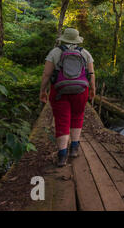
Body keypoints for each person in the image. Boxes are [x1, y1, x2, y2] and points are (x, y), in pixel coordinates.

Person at [40, 28, 96, 167]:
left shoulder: (55, 52)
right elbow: (91, 74)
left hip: (59, 91)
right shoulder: (85, 53)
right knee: (77, 116)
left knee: (61, 120)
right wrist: (93, 89)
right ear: (77, 39)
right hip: (81, 90)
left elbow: (47, 74)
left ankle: (62, 156)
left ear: (63, 38)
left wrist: (43, 90)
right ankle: (74, 149)